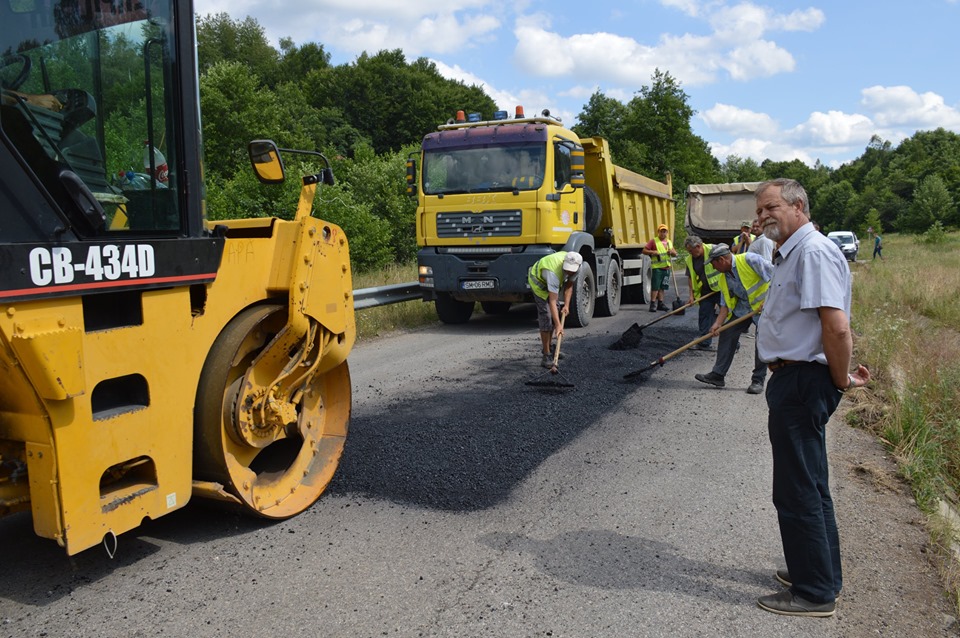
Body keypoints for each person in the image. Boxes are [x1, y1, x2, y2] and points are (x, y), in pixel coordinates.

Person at [754, 178, 871, 618]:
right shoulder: (793, 252)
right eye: (759, 211)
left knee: (797, 488)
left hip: (803, 382)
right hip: (799, 379)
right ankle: (821, 572)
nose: (762, 216)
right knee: (813, 484)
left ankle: (814, 592)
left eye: (770, 207)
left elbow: (836, 327)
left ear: (798, 205)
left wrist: (839, 381)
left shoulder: (813, 251)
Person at [693, 243, 771, 394]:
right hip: (743, 309)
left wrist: (769, 300)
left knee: (761, 340)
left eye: (713, 264)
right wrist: (717, 324)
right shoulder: (724, 277)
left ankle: (758, 380)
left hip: (765, 309)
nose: (713, 268)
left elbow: (777, 277)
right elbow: (725, 304)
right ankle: (718, 374)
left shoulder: (750, 260)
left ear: (721, 260)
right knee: (727, 332)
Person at [528, 251, 582, 368]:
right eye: (567, 269)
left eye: (572, 270)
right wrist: (558, 325)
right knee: (546, 316)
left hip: (552, 285)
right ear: (564, 263)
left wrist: (566, 305)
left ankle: (550, 347)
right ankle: (546, 355)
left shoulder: (576, 267)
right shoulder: (553, 272)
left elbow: (569, 286)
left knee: (556, 312)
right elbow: (552, 300)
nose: (569, 272)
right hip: (538, 284)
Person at [683, 235, 720, 350]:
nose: (690, 254)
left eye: (691, 251)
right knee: (704, 314)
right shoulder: (690, 259)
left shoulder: (714, 250)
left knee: (726, 316)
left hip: (721, 289)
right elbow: (690, 277)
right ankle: (704, 342)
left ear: (698, 246)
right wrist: (691, 296)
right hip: (705, 291)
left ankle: (732, 343)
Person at [643, 223, 677, 312]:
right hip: (657, 268)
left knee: (663, 287)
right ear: (658, 232)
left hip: (666, 268)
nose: (663, 233)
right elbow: (644, 250)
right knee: (655, 286)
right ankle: (653, 304)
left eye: (665, 231)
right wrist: (653, 252)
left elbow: (675, 253)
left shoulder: (669, 242)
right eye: (661, 231)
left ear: (667, 232)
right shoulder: (653, 241)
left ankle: (660, 304)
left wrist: (672, 252)